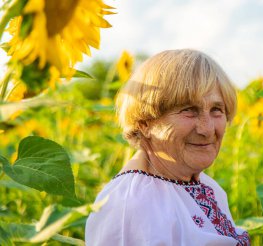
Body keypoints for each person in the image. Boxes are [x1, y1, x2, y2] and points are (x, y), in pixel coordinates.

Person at [85, 49, 250, 246]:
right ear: (145, 123)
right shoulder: (131, 205)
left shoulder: (205, 185)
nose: (207, 129)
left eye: (216, 109)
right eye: (188, 110)